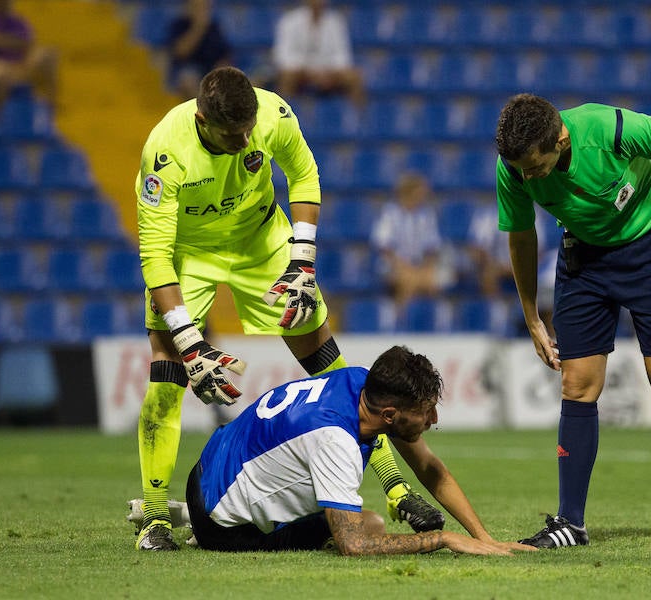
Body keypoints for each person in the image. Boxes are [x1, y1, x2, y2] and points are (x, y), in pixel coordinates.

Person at [133, 66, 441, 551]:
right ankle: (153, 519)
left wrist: (303, 262)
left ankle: (395, 486)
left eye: (248, 129)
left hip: (262, 242)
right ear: (201, 118)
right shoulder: (164, 153)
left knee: (335, 371)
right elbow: (154, 253)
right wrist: (192, 344)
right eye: (232, 134)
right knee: (167, 379)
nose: (245, 140)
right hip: (187, 255)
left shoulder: (271, 113)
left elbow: (304, 175)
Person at [494, 93, 651, 549]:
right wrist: (531, 316)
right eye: (520, 169)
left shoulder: (609, 128)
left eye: (534, 166)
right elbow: (521, 236)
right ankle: (571, 522)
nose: (526, 176)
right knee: (578, 385)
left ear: (561, 139)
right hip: (584, 260)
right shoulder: (511, 167)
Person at [149, 346, 534, 555]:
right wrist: (446, 539)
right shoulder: (335, 440)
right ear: (389, 415)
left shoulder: (360, 381)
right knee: (370, 526)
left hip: (208, 467)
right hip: (222, 523)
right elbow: (355, 545)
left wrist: (484, 538)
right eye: (425, 411)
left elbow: (430, 468)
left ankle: (202, 511)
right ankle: (209, 526)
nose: (433, 418)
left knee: (342, 506)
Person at [370, 172, 456, 308]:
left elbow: (432, 249)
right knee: (407, 281)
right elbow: (385, 247)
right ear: (408, 192)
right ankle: (401, 322)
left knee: (433, 280)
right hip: (393, 265)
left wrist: (424, 268)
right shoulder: (390, 213)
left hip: (420, 266)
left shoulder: (427, 215)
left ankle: (428, 321)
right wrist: (406, 269)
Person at [272, 0, 365, 105]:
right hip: (300, 72)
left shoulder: (336, 22)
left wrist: (326, 72)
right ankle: (283, 115)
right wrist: (309, 72)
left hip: (330, 72)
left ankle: (356, 119)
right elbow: (283, 56)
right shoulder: (289, 20)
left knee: (354, 78)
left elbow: (342, 55)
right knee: (287, 77)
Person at [165, 0, 232, 99]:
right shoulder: (179, 25)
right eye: (197, 6)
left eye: (205, 7)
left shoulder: (214, 27)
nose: (202, 10)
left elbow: (224, 54)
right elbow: (181, 52)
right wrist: (199, 27)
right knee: (188, 78)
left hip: (210, 69)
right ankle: (202, 110)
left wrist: (221, 69)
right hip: (185, 69)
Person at [0, 0, 58, 105]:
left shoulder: (19, 22)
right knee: (0, 72)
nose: (4, 4)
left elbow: (28, 45)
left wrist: (0, 40)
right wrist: (13, 42)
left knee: (49, 54)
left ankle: (50, 106)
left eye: (7, 1)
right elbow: (22, 43)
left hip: (19, 65)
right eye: (0, 1)